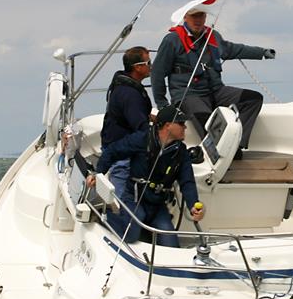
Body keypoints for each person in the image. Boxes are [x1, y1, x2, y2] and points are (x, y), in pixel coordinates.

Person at [151, 0, 275, 156]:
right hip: (188, 95)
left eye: (201, 16)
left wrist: (262, 52)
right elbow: (158, 72)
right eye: (194, 16)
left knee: (252, 99)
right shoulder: (172, 40)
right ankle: (219, 153)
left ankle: (236, 144)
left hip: (216, 91)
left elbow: (233, 49)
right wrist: (162, 104)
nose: (198, 20)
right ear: (185, 17)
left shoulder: (212, 36)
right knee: (207, 117)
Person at [86, 104, 204, 248]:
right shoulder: (142, 139)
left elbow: (187, 181)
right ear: (168, 126)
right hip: (134, 199)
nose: (185, 127)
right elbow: (112, 151)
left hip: (157, 205)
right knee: (131, 234)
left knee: (171, 245)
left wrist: (193, 204)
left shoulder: (181, 152)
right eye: (181, 123)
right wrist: (98, 174)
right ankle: (101, 216)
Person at [100, 46, 153, 199]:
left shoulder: (122, 84)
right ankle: (118, 216)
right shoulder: (130, 95)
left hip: (112, 140)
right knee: (120, 195)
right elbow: (141, 127)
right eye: (148, 63)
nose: (151, 66)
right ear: (138, 67)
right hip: (121, 151)